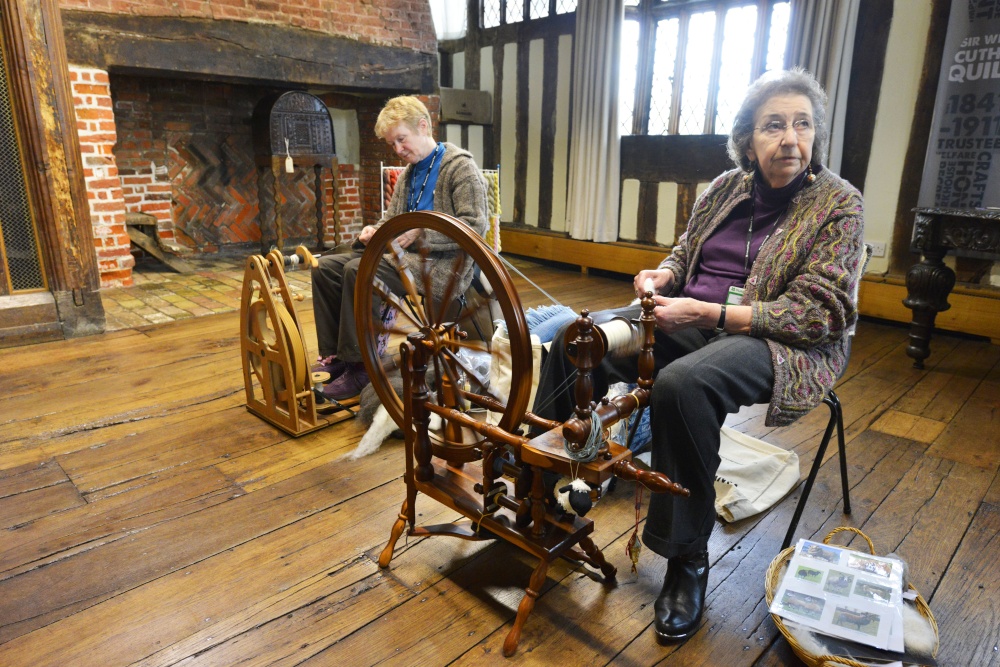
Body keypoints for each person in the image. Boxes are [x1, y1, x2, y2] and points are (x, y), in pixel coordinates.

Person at [531, 68, 865, 643]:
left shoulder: (839, 204)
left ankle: (687, 559)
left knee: (682, 386)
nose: (790, 139)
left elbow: (818, 315)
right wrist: (663, 275)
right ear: (747, 140)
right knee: (576, 338)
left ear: (816, 135)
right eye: (774, 126)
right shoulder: (725, 188)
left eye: (802, 124)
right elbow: (685, 255)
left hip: (779, 342)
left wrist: (707, 313)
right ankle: (545, 481)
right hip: (690, 317)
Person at [311, 96, 489, 400]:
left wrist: (421, 232)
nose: (397, 149)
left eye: (401, 140)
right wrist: (375, 230)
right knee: (326, 268)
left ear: (423, 126)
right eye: (392, 144)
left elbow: (474, 227)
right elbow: (392, 220)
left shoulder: (460, 167)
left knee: (359, 270)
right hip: (404, 257)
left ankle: (363, 366)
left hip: (443, 265)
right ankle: (339, 356)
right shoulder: (409, 174)